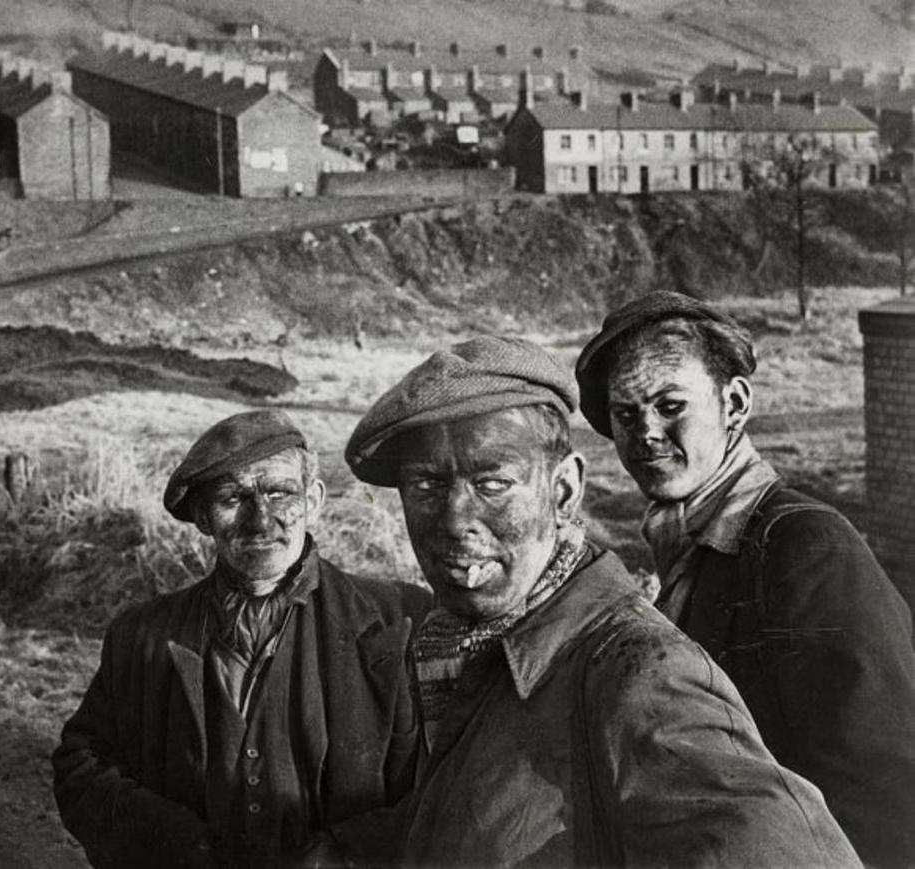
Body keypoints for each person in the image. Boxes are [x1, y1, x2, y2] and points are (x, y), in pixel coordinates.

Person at [344, 335, 859, 868]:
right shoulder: (469, 642)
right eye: (425, 486)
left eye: (493, 483)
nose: (453, 520)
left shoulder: (639, 672)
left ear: (564, 492)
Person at [575, 290, 915, 868]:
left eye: (670, 406)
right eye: (627, 415)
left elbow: (885, 791)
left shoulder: (803, 546)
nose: (647, 434)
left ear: (734, 405)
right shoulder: (687, 552)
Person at [53, 409, 431, 869]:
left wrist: (344, 854)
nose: (261, 520)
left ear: (313, 500)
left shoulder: (401, 621)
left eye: (280, 493)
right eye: (233, 497)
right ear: (203, 516)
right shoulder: (142, 636)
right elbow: (81, 768)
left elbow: (444, 787)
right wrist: (176, 844)